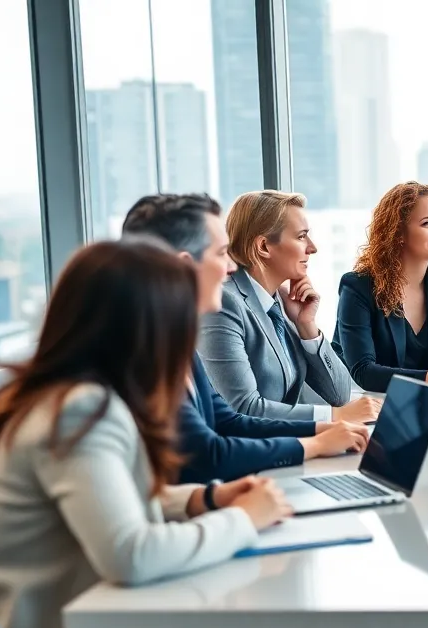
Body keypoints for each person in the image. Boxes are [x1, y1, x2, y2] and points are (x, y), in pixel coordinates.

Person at [0, 240, 305, 628]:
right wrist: (243, 521)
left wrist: (204, 500)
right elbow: (130, 555)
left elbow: (113, 498)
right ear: (143, 327)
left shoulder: (55, 395)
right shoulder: (77, 411)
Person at [120, 194, 368, 484]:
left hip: (236, 476)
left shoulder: (178, 338)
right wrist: (320, 435)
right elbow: (220, 435)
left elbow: (227, 419)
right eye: (220, 254)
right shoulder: (158, 344)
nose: (230, 267)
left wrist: (306, 325)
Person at [199, 190, 379, 423]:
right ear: (264, 246)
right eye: (301, 236)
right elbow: (242, 408)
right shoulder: (224, 303)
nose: (312, 248)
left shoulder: (279, 303)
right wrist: (333, 417)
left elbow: (340, 394)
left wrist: (307, 326)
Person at [334, 182, 428, 392]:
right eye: (427, 223)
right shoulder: (357, 286)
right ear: (397, 234)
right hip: (372, 411)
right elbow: (364, 371)